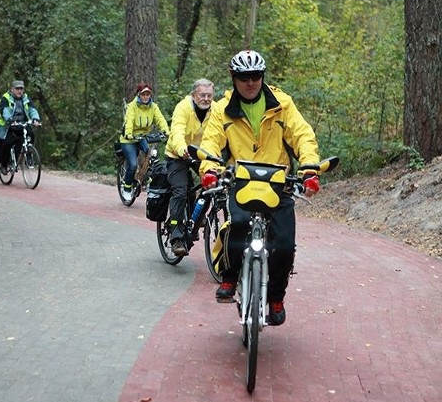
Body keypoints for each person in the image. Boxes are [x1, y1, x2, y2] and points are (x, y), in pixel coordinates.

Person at [198, 50, 321, 326]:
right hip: (240, 181)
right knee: (237, 224)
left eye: (255, 76)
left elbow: (302, 134)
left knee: (285, 246)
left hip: (277, 184)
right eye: (243, 77)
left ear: (263, 77)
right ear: (234, 78)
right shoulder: (221, 108)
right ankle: (229, 276)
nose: (250, 82)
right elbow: (210, 144)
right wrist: (209, 170)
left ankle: (275, 297)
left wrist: (310, 167)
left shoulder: (281, 103)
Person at [164, 78, 216, 256]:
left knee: (212, 185)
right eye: (202, 95)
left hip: (201, 155)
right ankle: (176, 236)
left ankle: (197, 217)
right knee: (180, 191)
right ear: (194, 95)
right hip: (178, 154)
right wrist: (181, 149)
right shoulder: (183, 107)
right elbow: (177, 131)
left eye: (209, 95)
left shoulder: (216, 110)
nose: (206, 99)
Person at [120, 82, 170, 201]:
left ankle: (144, 177)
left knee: (150, 155)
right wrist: (129, 133)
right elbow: (129, 120)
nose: (146, 96)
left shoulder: (153, 107)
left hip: (142, 137)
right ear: (139, 94)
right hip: (128, 139)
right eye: (143, 94)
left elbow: (160, 119)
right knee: (132, 164)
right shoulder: (132, 106)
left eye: (148, 94)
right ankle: (127, 187)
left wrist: (166, 131)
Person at [0, 80, 41, 174]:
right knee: (7, 143)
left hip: (22, 124)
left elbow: (32, 109)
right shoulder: (6, 98)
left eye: (21, 89)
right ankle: (4, 164)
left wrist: (35, 119)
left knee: (31, 134)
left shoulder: (26, 98)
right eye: (17, 89)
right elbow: (4, 111)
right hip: (9, 126)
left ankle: (29, 155)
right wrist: (10, 120)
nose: (19, 91)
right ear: (12, 89)